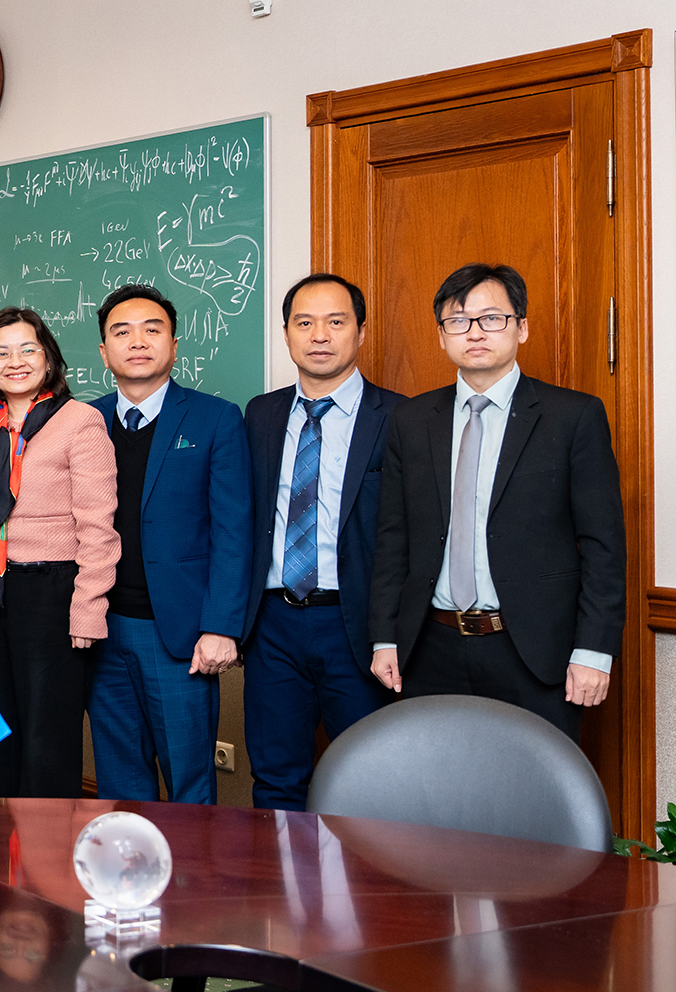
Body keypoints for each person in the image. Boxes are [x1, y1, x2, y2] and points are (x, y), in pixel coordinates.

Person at [370, 263, 624, 738]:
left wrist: (594, 650)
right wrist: (385, 637)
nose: (475, 332)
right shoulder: (411, 420)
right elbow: (393, 539)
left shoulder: (573, 417)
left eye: (491, 318)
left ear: (521, 327)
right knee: (436, 781)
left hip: (535, 652)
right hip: (431, 648)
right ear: (442, 335)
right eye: (458, 320)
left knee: (532, 783)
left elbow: (603, 546)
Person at [86, 283, 251, 804]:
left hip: (177, 635)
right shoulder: (83, 421)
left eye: (152, 330)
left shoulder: (215, 418)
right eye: (122, 332)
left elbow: (234, 530)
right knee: (120, 783)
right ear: (104, 352)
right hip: (99, 629)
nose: (137, 341)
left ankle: (190, 865)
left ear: (174, 345)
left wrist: (221, 626)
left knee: (189, 785)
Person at [241, 274, 401, 810]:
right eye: (304, 323)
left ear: (361, 332)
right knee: (275, 778)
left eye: (336, 322)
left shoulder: (400, 417)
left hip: (357, 626)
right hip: (273, 625)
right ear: (286, 334)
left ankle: (360, 872)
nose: (320, 335)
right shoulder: (260, 414)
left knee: (371, 781)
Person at [0, 308, 119, 797]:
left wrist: (88, 609)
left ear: (48, 358)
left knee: (48, 737)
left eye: (28, 349)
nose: (16, 362)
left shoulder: (80, 421)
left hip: (51, 592)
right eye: (1, 353)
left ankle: (44, 845)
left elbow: (98, 526)